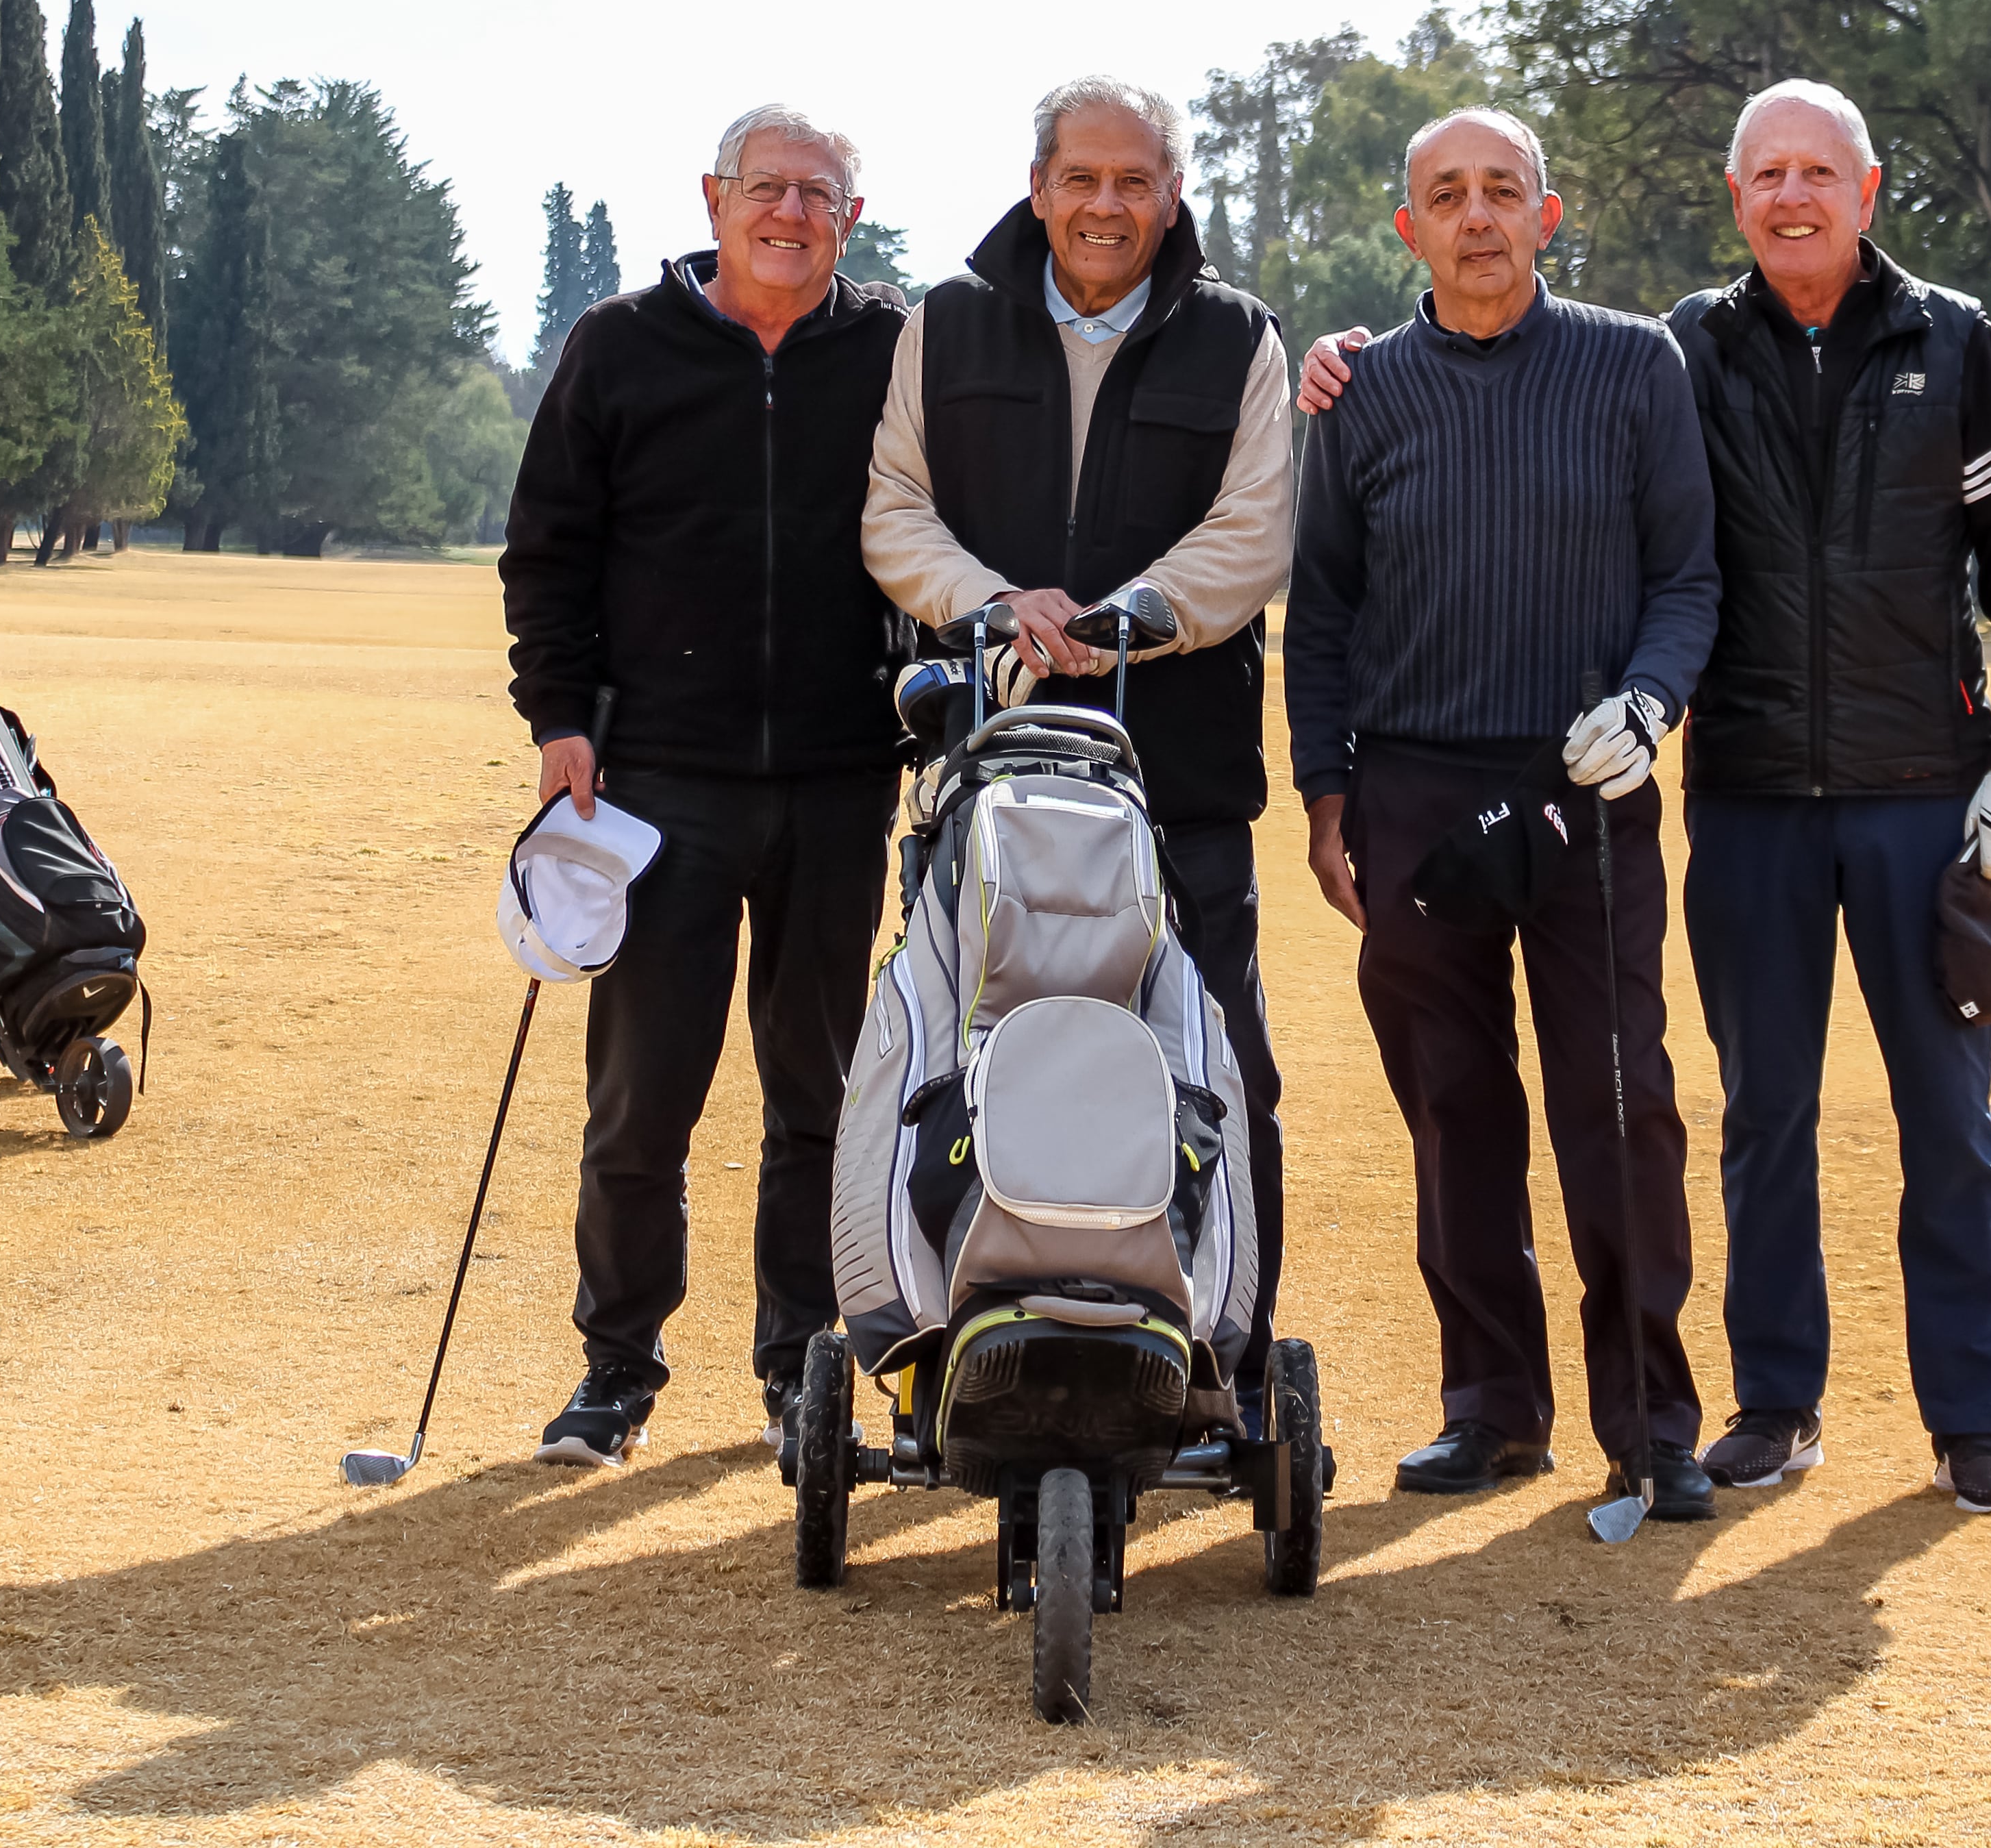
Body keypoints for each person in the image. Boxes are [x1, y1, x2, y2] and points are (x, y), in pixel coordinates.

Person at [1300, 79, 1991, 1514]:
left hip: (1814, 790)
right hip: (1624, 794)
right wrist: (1325, 791)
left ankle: (1866, 1418)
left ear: (1868, 188)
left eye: (1818, 172)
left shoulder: (1875, 347)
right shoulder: (1633, 356)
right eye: (1767, 172)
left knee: (1844, 1111)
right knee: (1665, 1114)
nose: (1794, 195)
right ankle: (1648, 1407)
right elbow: (1351, 588)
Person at [1284, 105, 1722, 1519]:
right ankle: (1492, 1407)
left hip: (1587, 787)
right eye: (1446, 195)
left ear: (1547, 211)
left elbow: (1688, 579)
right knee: (1456, 1113)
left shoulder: (1634, 363)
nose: (1477, 216)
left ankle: (1652, 1422)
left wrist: (1651, 703)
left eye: (1503, 191)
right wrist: (1325, 792)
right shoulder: (1363, 395)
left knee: (1621, 1106)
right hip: (1414, 795)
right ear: (1407, 225)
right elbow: (1327, 609)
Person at [860, 76, 1295, 1420]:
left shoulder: (1240, 339)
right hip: (986, 780)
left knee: (1219, 1072)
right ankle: (956, 1334)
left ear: (1173, 193)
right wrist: (994, 603)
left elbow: (1255, 528)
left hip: (1183, 784)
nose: (1109, 206)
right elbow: (895, 508)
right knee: (965, 1054)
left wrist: (1123, 624)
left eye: (1137, 181)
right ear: (1039, 185)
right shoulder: (947, 326)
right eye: (1083, 179)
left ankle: (1217, 1353)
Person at [500, 104, 910, 1471]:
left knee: (822, 1093)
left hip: (845, 779)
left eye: (818, 194)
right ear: (716, 197)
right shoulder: (620, 347)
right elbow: (547, 552)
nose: (790, 212)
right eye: (767, 187)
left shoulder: (898, 350)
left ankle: (804, 1367)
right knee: (641, 1100)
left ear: (850, 219)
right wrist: (559, 716)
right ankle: (616, 1371)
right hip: (659, 782)